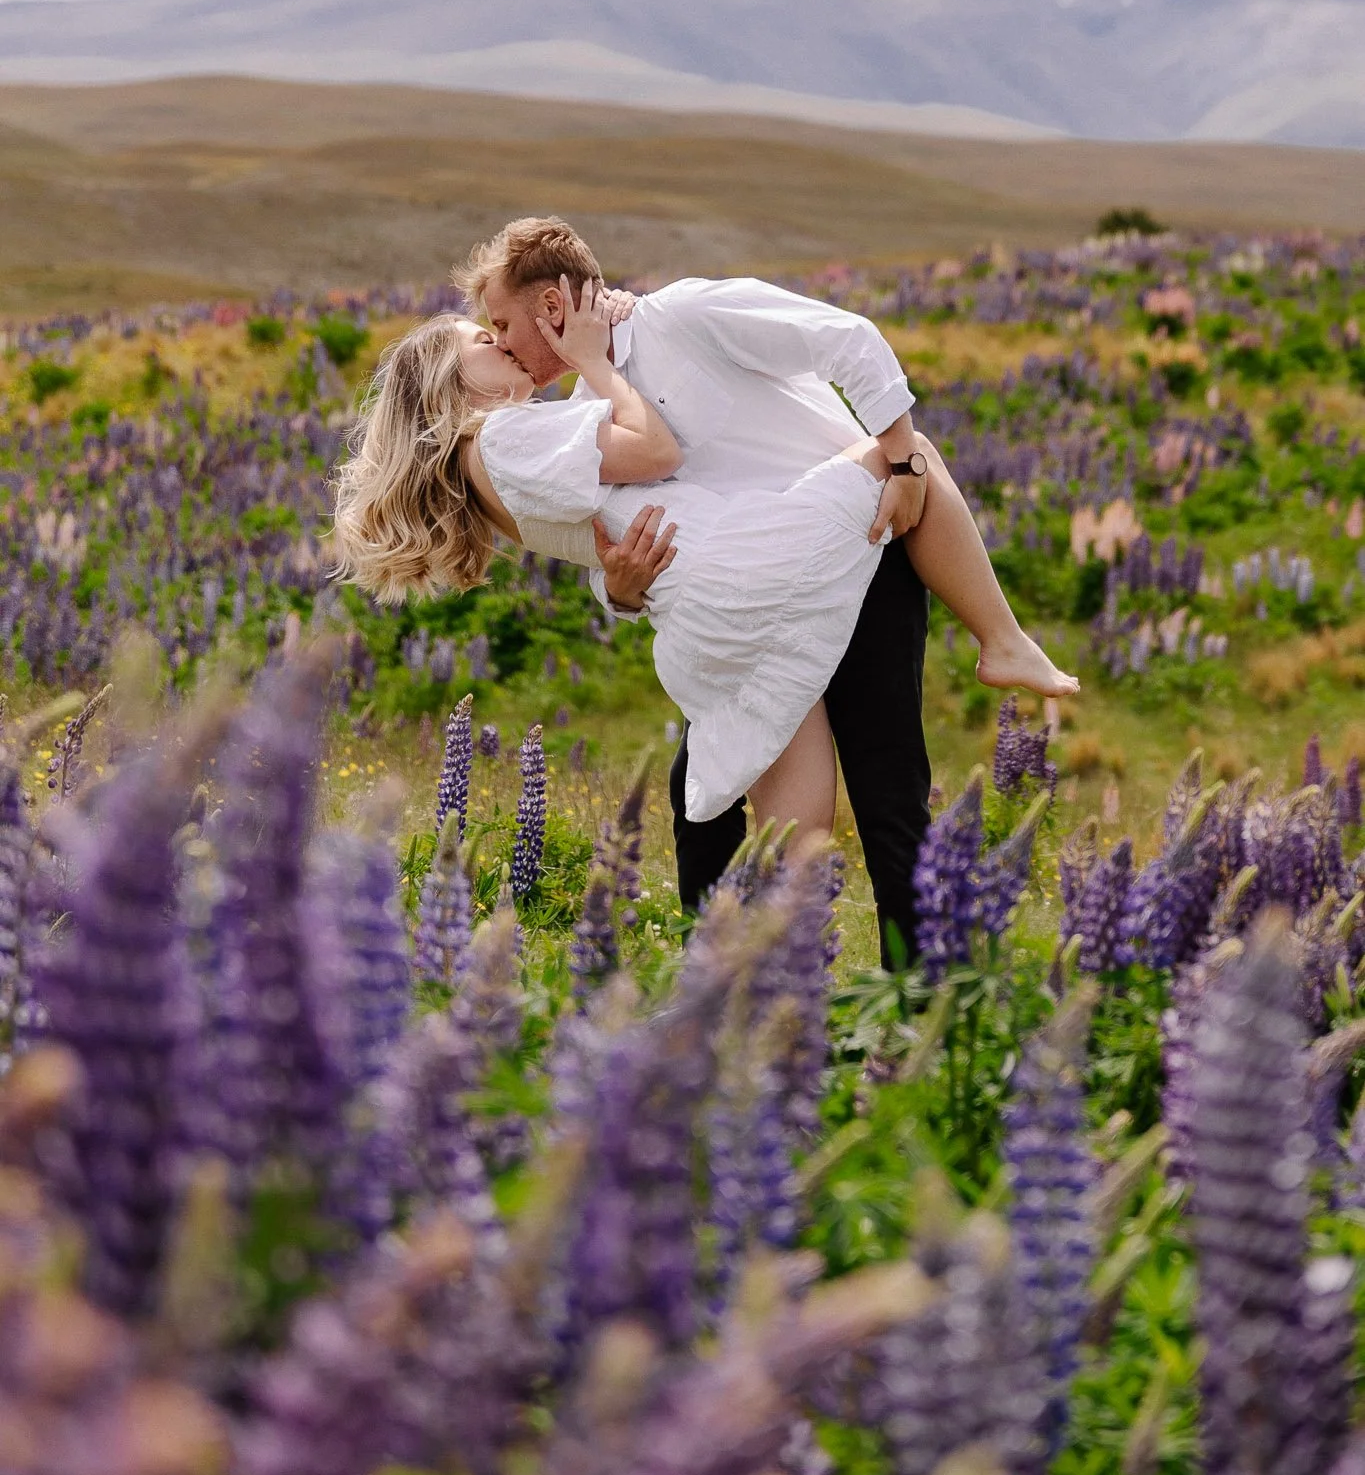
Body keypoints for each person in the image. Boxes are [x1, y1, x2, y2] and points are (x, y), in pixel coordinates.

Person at [332, 218, 1077, 965]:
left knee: (860, 801)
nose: (501, 343)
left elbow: (849, 339)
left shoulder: (682, 316)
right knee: (717, 812)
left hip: (848, 553)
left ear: (553, 306)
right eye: (486, 337)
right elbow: (617, 527)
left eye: (499, 326)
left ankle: (839, 986)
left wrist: (901, 461)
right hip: (751, 572)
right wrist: (620, 591)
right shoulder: (552, 418)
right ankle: (749, 986)